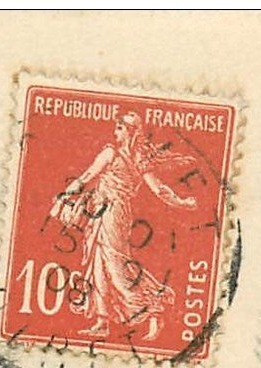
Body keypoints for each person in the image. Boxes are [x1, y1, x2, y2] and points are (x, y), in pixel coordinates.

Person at [49, 112, 197, 340]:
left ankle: (154, 307)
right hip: (99, 212)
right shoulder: (115, 153)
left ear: (130, 132)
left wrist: (182, 202)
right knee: (97, 263)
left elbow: (158, 189)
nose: (115, 132)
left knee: (116, 266)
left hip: (114, 214)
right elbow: (88, 176)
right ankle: (102, 320)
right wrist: (65, 195)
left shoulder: (133, 158)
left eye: (119, 128)